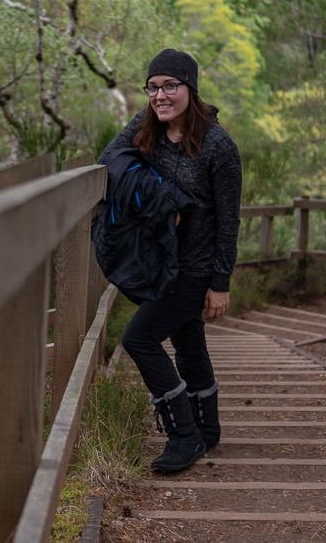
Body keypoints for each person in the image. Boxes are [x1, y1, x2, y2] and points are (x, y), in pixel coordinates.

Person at [98, 48, 242, 473]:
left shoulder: (218, 146)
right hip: (162, 263)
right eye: (153, 87)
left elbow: (229, 221)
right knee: (186, 339)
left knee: (138, 339)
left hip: (195, 268)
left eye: (170, 86)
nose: (160, 96)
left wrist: (220, 283)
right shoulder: (146, 128)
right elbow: (109, 160)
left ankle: (184, 435)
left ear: (189, 89)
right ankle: (206, 427)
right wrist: (166, 197)